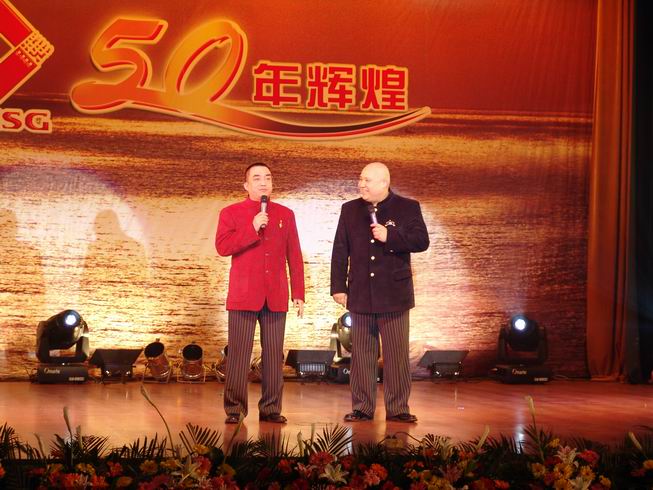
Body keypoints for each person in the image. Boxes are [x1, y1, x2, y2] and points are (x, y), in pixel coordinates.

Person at [330, 162, 429, 423]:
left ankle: (398, 408)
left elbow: (421, 241)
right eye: (360, 179)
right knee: (362, 354)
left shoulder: (408, 207)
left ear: (384, 183)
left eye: (367, 180)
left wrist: (391, 236)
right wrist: (338, 287)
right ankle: (362, 407)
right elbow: (340, 250)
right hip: (361, 292)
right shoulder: (350, 209)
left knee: (396, 355)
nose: (361, 184)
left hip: (394, 294)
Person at [216, 162, 305, 424]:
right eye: (257, 178)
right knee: (239, 356)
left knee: (274, 355)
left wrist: (298, 292)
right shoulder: (231, 212)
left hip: (275, 295)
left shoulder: (285, 214)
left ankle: (271, 409)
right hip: (243, 296)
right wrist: (252, 227)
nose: (263, 182)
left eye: (268, 177)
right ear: (246, 185)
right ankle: (235, 410)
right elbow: (223, 247)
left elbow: (294, 255)